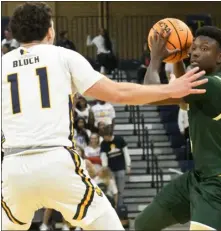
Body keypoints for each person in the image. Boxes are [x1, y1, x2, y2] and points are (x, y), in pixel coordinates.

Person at [2, 3, 207, 230]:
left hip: (14, 167)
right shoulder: (63, 56)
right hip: (56, 162)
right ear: (50, 32)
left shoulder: (3, 65)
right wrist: (171, 90)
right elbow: (118, 93)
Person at [136, 26, 221, 231]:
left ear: (220, 57)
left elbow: (151, 95)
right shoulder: (207, 85)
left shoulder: (212, 85)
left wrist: (155, 59)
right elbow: (183, 99)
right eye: (193, 47)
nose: (195, 52)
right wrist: (177, 57)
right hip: (199, 177)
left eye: (205, 48)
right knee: (144, 224)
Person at [100, 125, 131, 207]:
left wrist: (128, 165)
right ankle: (112, 206)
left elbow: (126, 153)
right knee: (112, 189)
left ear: (109, 135)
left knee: (120, 190)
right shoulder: (103, 144)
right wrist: (104, 166)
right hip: (110, 169)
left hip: (120, 168)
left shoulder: (119, 140)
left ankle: (119, 207)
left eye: (105, 136)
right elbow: (103, 156)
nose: (104, 138)